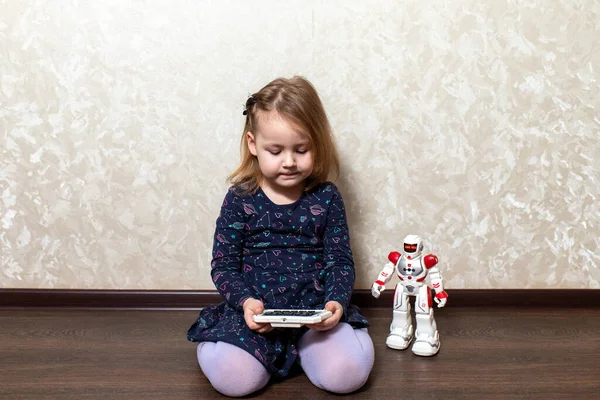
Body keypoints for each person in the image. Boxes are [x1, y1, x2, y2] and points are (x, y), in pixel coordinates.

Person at [187, 76, 374, 397]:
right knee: (236, 381)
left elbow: (340, 261)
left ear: (318, 144)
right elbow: (224, 266)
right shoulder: (240, 198)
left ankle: (309, 351)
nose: (289, 161)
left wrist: (336, 304)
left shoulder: (326, 197)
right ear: (252, 144)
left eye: (301, 149)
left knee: (347, 375)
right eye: (275, 150)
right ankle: (222, 343)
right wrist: (246, 303)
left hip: (313, 314)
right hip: (256, 315)